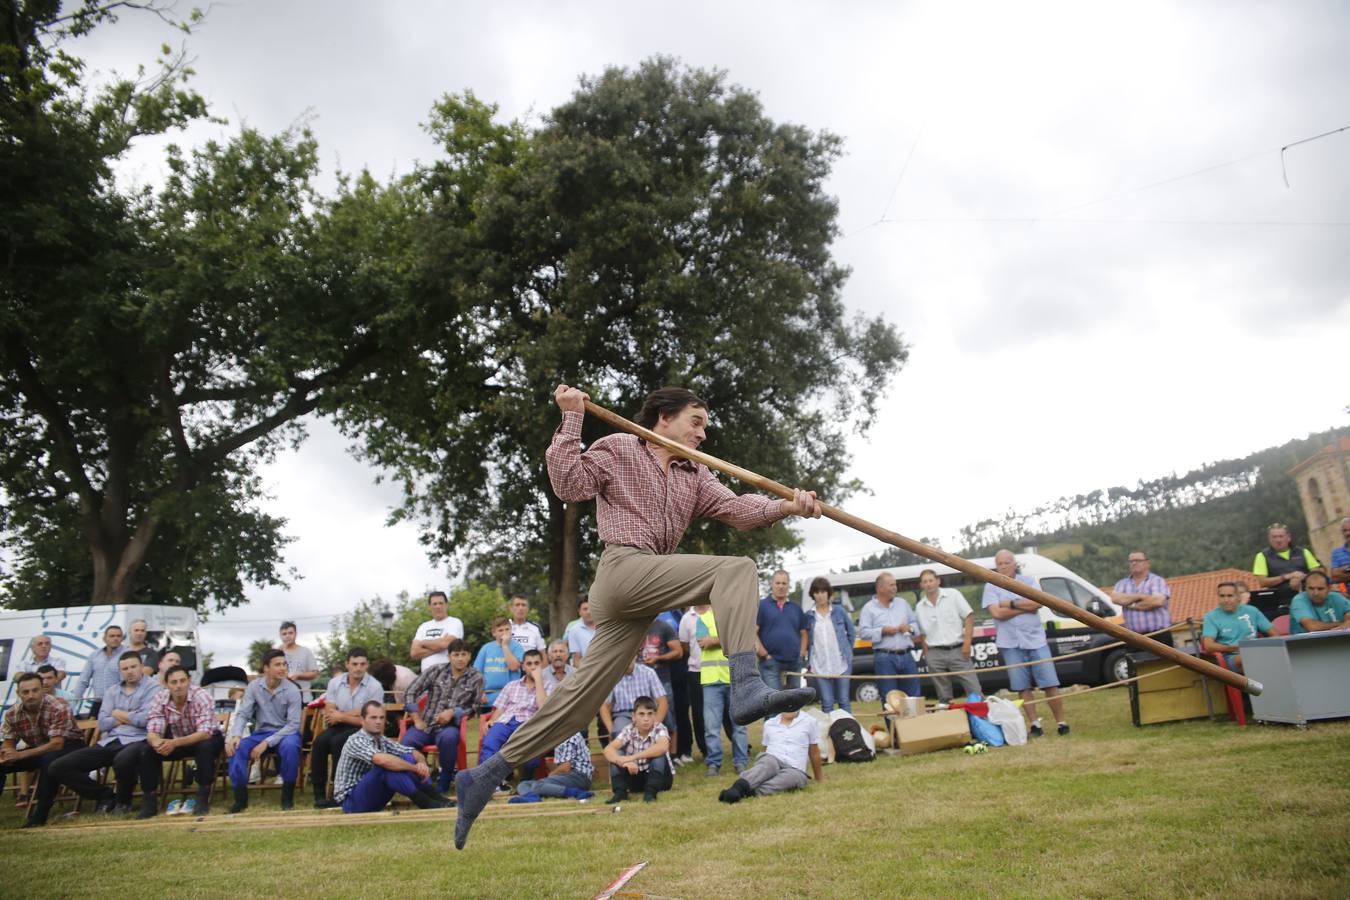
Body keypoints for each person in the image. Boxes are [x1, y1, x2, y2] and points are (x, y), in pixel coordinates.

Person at [453, 384, 820, 849]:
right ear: (664, 418)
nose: (703, 434)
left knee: (576, 705)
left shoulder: (694, 473)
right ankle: (746, 685)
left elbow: (738, 509)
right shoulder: (620, 447)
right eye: (697, 422)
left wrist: (786, 506)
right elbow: (568, 484)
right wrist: (571, 418)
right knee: (737, 570)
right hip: (623, 571)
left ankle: (483, 776)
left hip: (645, 597)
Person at [48, 651, 160, 815]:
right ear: (120, 671)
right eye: (125, 668)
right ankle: (105, 795)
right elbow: (103, 723)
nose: (129, 671)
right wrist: (130, 716)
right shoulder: (112, 691)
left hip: (139, 740)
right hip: (110, 741)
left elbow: (145, 719)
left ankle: (123, 802)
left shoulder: (154, 688)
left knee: (123, 759)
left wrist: (117, 713)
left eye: (133, 666)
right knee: (58, 767)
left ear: (142, 667)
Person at [981, 550, 1068, 737]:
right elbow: (997, 614)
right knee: (1022, 687)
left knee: (1050, 683)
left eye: (1006, 562)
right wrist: (1023, 606)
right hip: (1010, 643)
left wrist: (1010, 604)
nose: (1003, 566)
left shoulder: (1028, 582)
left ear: (1014, 563)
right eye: (1000, 563)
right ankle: (1035, 725)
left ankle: (1061, 723)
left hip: (1036, 640)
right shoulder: (991, 586)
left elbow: (1038, 603)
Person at [136, 664, 225, 818]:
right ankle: (149, 801)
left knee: (205, 748)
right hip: (178, 739)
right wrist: (158, 743)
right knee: (146, 750)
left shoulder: (201, 696)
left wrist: (173, 743)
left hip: (206, 738)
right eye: (174, 682)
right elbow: (153, 729)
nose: (179, 686)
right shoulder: (160, 698)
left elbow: (204, 732)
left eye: (182, 681)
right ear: (166, 684)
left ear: (189, 681)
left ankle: (202, 797)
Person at [332, 701, 452, 813]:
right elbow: (382, 761)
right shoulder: (356, 740)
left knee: (407, 757)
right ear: (362, 720)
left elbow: (412, 751)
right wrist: (414, 768)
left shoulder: (381, 739)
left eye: (381, 718)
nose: (378, 721)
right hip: (352, 803)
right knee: (386, 766)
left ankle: (436, 797)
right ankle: (426, 802)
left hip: (372, 796)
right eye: (373, 718)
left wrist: (422, 763)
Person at [1, 672, 85, 828]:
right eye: (25, 692)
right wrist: (8, 753)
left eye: (35, 690)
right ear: (18, 693)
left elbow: (57, 744)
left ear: (42, 690)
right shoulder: (12, 713)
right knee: (2, 763)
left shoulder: (58, 705)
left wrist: (20, 754)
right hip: (38, 749)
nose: (31, 695)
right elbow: (8, 741)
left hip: (70, 745)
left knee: (49, 760)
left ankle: (40, 814)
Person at [402, 638, 484, 794]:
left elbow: (476, 707)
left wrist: (455, 712)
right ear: (449, 656)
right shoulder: (435, 670)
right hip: (425, 723)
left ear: (469, 656)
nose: (460, 659)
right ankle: (419, 777)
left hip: (449, 726)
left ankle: (445, 778)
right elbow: (410, 691)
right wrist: (416, 719)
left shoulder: (477, 678)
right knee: (407, 742)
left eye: (463, 654)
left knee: (449, 738)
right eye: (456, 655)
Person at [226, 649, 302, 812]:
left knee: (290, 747)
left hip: (286, 732)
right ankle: (240, 800)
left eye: (284, 664)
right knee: (236, 748)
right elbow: (243, 713)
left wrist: (265, 744)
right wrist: (236, 734)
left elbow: (293, 725)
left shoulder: (293, 690)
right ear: (266, 668)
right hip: (262, 732)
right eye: (277, 665)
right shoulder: (254, 686)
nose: (282, 668)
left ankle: (287, 797)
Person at [310, 646, 385, 807]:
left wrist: (342, 715)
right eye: (355, 664)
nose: (358, 668)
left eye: (362, 664)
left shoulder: (375, 686)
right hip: (338, 725)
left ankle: (339, 793)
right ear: (347, 665)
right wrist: (355, 713)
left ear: (367, 665)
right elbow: (330, 711)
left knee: (339, 742)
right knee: (319, 743)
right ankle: (319, 794)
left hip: (363, 730)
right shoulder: (335, 682)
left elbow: (369, 721)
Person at [717, 708, 824, 804]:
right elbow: (765, 751)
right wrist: (761, 767)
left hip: (794, 768)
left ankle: (750, 792)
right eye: (785, 704)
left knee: (792, 779)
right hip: (772, 759)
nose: (789, 708)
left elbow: (814, 752)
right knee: (768, 763)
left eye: (793, 704)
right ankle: (738, 788)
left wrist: (819, 778)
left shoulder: (810, 722)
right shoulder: (770, 724)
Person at [697, 605, 749, 777]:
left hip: (735, 678)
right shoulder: (703, 618)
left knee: (739, 725)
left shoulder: (737, 616)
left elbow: (741, 640)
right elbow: (703, 643)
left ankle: (741, 762)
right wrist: (726, 639)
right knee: (711, 727)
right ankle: (713, 764)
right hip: (712, 680)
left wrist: (715, 640)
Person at [914, 569, 982, 703]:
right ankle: (950, 721)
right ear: (921, 585)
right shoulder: (919, 607)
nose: (928, 584)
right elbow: (922, 634)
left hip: (958, 649)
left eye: (931, 580)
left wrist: (967, 644)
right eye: (925, 582)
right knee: (943, 697)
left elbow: (968, 617)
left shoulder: (953, 595)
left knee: (974, 690)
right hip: (934, 654)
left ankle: (982, 720)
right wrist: (927, 655)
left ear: (938, 581)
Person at [478, 649, 551, 768]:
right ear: (523, 667)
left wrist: (538, 681)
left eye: (536, 663)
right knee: (491, 741)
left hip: (528, 724)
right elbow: (500, 708)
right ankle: (484, 778)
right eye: (529, 664)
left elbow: (543, 708)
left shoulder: (547, 686)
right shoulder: (511, 685)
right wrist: (492, 720)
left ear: (542, 666)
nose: (533, 667)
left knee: (531, 751)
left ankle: (525, 779)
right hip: (506, 721)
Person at [858, 571, 922, 698]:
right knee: (889, 698)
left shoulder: (903, 603)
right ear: (880, 588)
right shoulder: (868, 608)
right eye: (891, 585)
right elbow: (863, 633)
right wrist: (882, 631)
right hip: (884, 658)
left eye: (895, 584)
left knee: (913, 697)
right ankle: (893, 719)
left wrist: (909, 628)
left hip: (907, 656)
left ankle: (913, 719)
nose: (895, 588)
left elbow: (916, 625)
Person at [603, 696, 672, 804]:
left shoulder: (659, 728)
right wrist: (621, 761)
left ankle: (651, 794)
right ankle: (620, 793)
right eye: (641, 714)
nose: (646, 718)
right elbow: (608, 749)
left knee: (659, 755)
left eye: (650, 714)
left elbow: (663, 747)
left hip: (660, 779)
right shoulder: (628, 729)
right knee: (617, 753)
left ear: (654, 716)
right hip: (636, 776)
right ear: (634, 717)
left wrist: (632, 758)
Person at [802, 576, 856, 713]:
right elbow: (806, 639)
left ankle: (849, 732)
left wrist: (847, 651)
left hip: (841, 663)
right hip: (819, 664)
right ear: (813, 595)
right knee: (827, 702)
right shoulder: (809, 616)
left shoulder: (839, 611)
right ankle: (829, 733)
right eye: (817, 592)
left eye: (823, 592)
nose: (820, 595)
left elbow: (851, 632)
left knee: (844, 700)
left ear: (828, 593)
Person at [1202, 582, 1279, 671]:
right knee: (1252, 659)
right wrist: (1238, 648)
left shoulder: (1252, 611)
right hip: (1231, 657)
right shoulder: (1211, 616)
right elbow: (1208, 646)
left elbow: (1275, 634)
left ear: (1238, 597)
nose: (1226, 600)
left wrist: (1263, 647)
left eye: (1230, 596)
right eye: (1222, 596)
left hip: (1257, 652)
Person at [1109, 551, 1174, 645]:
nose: (1134, 563)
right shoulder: (1122, 584)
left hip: (1159, 636)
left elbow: (1157, 601)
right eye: (1131, 561)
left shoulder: (1157, 581)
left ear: (1148, 563)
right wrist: (1140, 596)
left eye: (1138, 560)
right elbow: (1115, 598)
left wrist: (1131, 604)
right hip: (1133, 638)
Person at [756, 569, 806, 690]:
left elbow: (804, 633)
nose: (781, 586)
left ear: (789, 585)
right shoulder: (761, 606)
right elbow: (753, 633)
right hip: (770, 662)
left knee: (795, 701)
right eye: (777, 583)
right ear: (771, 584)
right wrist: (764, 654)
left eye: (784, 583)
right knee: (774, 701)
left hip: (794, 662)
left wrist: (801, 654)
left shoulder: (796, 608)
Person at [1252, 523, 1323, 606]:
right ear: (1269, 539)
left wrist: (1301, 578)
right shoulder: (1261, 556)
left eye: (1281, 536)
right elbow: (1263, 582)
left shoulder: (1303, 552)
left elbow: (1317, 575)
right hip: (1280, 603)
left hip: (1308, 599)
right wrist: (1286, 577)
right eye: (1274, 537)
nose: (1278, 540)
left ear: (1288, 537)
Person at [513, 732, 594, 802]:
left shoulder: (569, 735)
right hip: (570, 776)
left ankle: (577, 793)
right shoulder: (561, 735)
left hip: (578, 777)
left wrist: (551, 774)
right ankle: (532, 798)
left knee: (538, 785)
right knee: (523, 784)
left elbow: (566, 767)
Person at [601, 656, 668, 736]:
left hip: (646, 713)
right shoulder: (612, 676)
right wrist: (612, 730)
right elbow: (604, 706)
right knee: (620, 732)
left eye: (630, 655)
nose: (627, 659)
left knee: (659, 734)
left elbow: (662, 702)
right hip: (623, 715)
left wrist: (655, 724)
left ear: (635, 656)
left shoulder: (648, 673)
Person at [639, 614, 682, 737]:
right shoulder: (634, 627)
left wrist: (659, 658)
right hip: (639, 681)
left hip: (662, 679)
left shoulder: (664, 626)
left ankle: (672, 754)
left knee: (668, 717)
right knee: (643, 716)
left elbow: (678, 652)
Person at [71, 624, 126, 718]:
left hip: (119, 704)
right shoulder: (95, 655)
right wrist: (72, 704)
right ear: (104, 638)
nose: (116, 638)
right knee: (89, 731)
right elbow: (83, 681)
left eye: (118, 636)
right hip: (98, 703)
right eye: (112, 636)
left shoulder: (127, 654)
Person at [679, 604, 710, 762]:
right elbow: (684, 645)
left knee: (725, 710)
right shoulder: (686, 618)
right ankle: (705, 750)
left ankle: (739, 746)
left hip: (718, 670)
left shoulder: (717, 612)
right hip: (696, 672)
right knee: (698, 714)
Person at [475, 617, 526, 709]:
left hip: (510, 697)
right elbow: (476, 673)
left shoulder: (517, 647)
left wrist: (505, 645)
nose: (504, 632)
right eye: (500, 630)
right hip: (488, 698)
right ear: (494, 633)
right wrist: (480, 692)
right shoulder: (486, 648)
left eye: (507, 629)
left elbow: (514, 667)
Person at [410, 590, 465, 672]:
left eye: (441, 603)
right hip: (426, 677)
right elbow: (414, 653)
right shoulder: (423, 626)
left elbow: (446, 643)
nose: (438, 606)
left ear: (446, 605)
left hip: (448, 675)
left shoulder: (455, 622)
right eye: (434, 604)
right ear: (430, 606)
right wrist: (440, 645)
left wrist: (423, 643)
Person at [278, 621, 320, 701]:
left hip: (304, 698)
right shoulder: (277, 653)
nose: (287, 636)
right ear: (280, 636)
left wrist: (298, 675)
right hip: (281, 699)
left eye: (290, 633)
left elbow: (314, 674)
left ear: (295, 634)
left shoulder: (305, 651)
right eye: (284, 634)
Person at [567, 599, 597, 668]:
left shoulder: (605, 626)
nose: (588, 612)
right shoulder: (574, 630)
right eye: (585, 609)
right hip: (587, 672)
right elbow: (577, 659)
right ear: (579, 612)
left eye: (591, 608)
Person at [1329, 517, 1350, 593]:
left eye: (1349, 530)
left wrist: (1343, 570)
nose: (1348, 533)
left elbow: (1337, 574)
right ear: (1342, 533)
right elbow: (1334, 576)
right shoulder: (1336, 553)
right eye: (1345, 531)